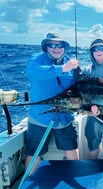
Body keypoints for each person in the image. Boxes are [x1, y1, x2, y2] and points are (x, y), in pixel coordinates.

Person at [25, 33, 79, 174]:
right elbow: (32, 73)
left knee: (71, 148)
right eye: (52, 45)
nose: (56, 48)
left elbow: (78, 88)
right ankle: (28, 181)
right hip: (40, 117)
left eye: (60, 45)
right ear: (46, 46)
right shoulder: (37, 59)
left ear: (64, 47)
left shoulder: (71, 63)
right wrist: (62, 68)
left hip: (64, 116)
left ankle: (76, 174)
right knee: (34, 152)